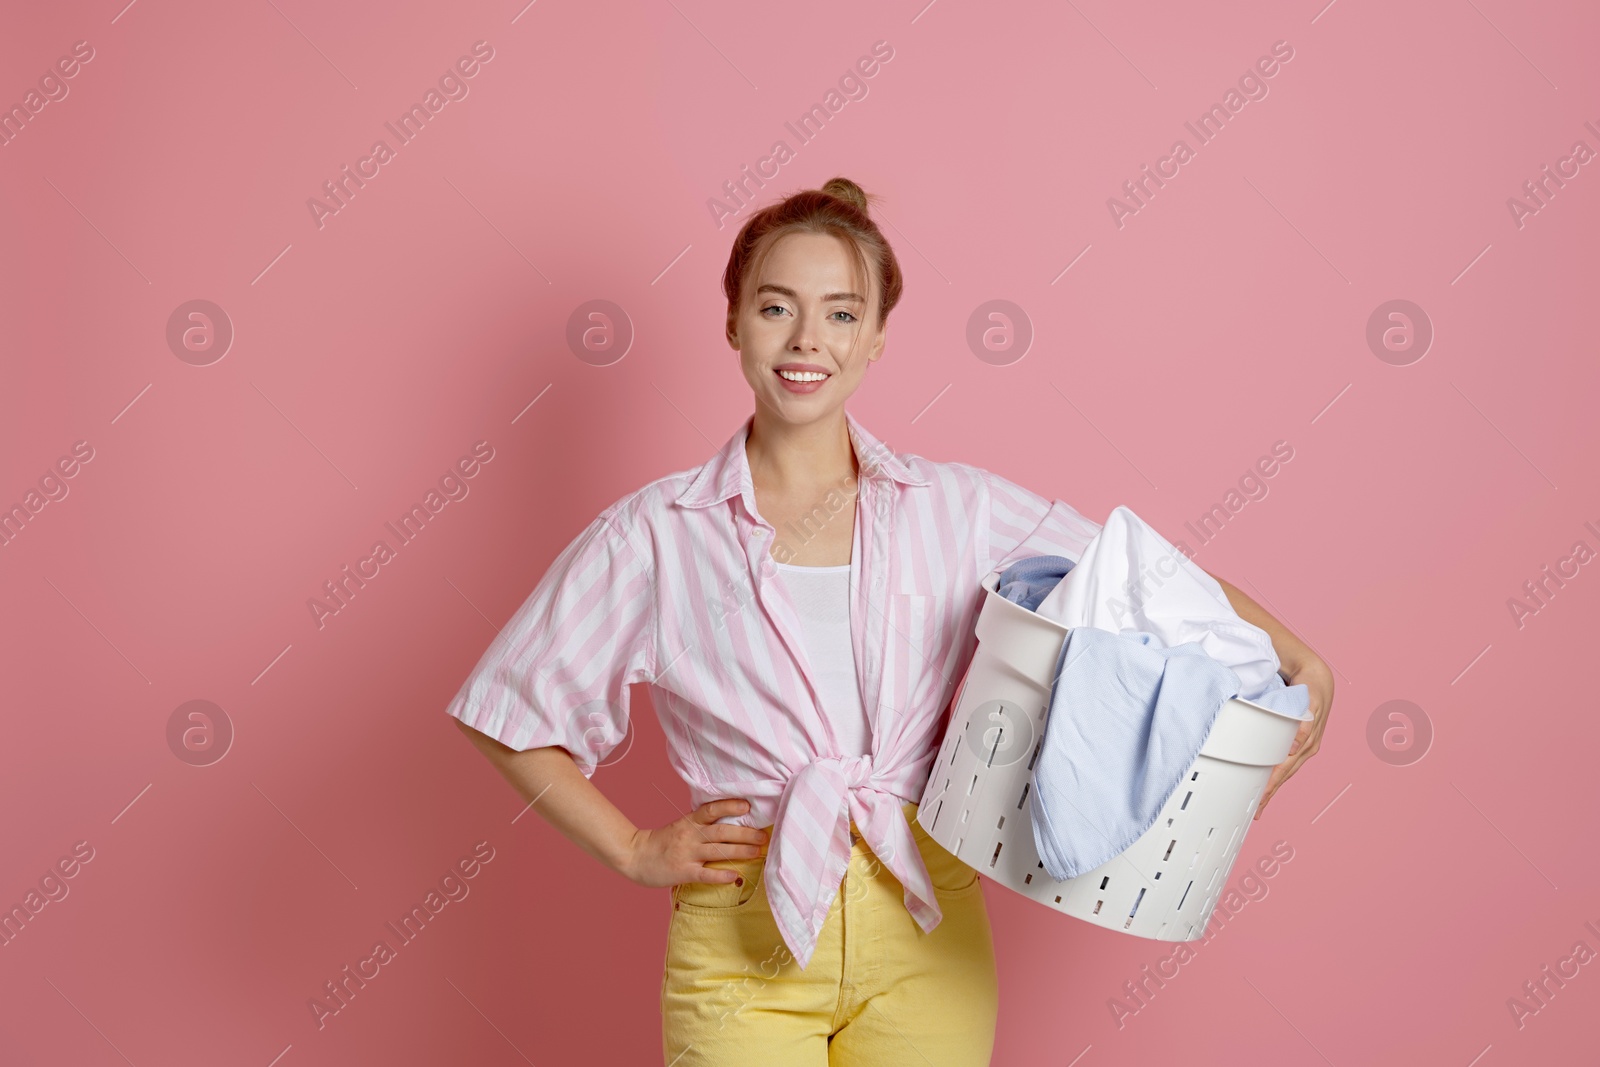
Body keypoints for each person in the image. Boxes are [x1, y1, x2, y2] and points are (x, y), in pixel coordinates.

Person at [447, 177, 1335, 1065]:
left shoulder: (955, 507)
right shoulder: (654, 534)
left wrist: (1295, 655)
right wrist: (635, 848)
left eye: (840, 314)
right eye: (775, 307)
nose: (806, 341)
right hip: (740, 936)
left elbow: (1134, 578)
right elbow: (511, 712)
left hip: (927, 922)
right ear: (732, 323)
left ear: (874, 339)